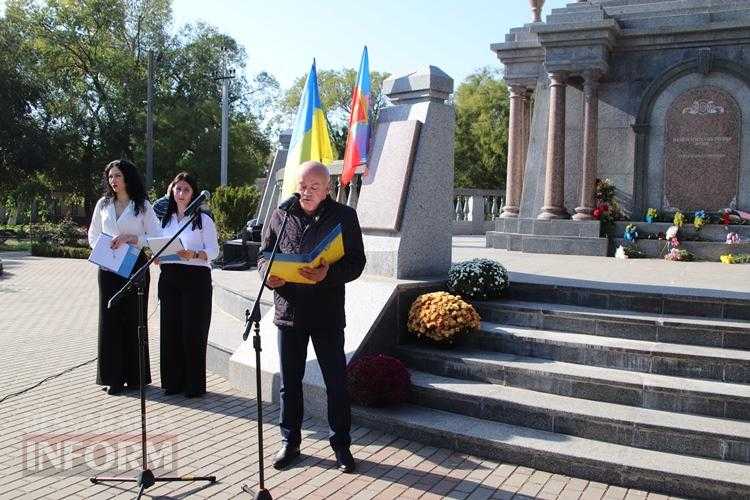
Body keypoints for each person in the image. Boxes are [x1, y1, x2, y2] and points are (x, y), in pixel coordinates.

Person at [258, 160, 366, 473]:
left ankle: (341, 445)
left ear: (327, 188)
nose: (305, 192)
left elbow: (357, 263)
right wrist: (269, 275)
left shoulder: (344, 217)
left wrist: (327, 273)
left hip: (327, 315)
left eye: (313, 187)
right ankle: (289, 441)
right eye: (302, 186)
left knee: (336, 384)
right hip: (289, 312)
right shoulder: (281, 213)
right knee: (289, 384)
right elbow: (263, 255)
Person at [87, 159, 161, 395]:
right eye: (110, 177)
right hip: (108, 267)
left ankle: (136, 377)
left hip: (134, 267)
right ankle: (113, 378)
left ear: (127, 177)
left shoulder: (142, 206)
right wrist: (103, 248)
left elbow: (157, 238)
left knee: (134, 319)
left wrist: (133, 239)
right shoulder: (103, 204)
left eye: (117, 176)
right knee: (110, 320)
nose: (113, 181)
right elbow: (93, 234)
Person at [156, 172, 219, 398]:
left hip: (196, 279)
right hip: (170, 276)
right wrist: (157, 255)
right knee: (170, 330)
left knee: (192, 332)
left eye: (186, 190)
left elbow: (214, 251)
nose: (181, 193)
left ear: (193, 194)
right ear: (171, 191)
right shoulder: (165, 218)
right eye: (177, 189)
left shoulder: (203, 218)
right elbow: (157, 242)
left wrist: (193, 253)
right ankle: (173, 383)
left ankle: (193, 385)